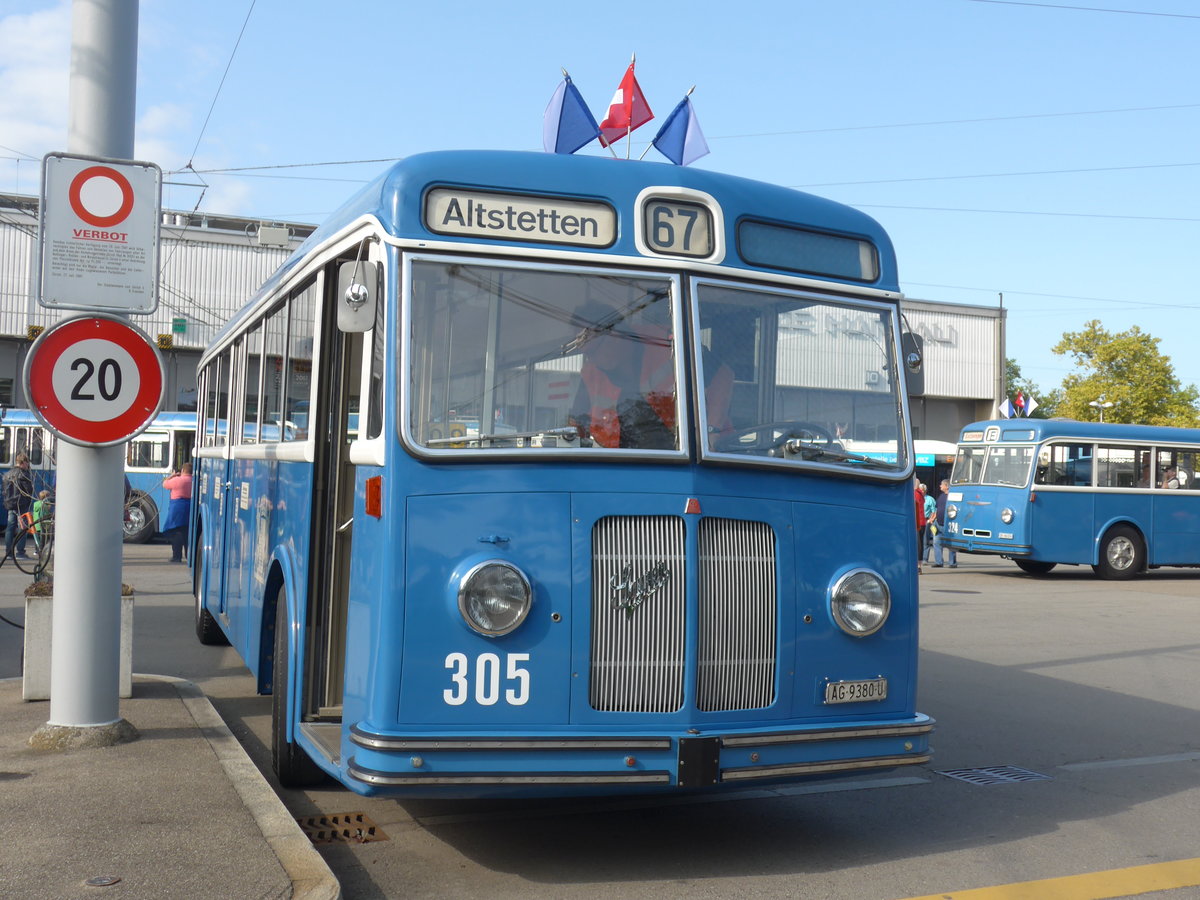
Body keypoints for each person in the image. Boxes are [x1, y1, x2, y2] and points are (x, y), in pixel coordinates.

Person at [569, 303, 676, 450]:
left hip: (680, 459)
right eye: (585, 353)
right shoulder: (591, 375)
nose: (591, 360)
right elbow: (575, 428)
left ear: (614, 334)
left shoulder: (667, 343)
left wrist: (712, 432)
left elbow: (715, 377)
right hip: (621, 464)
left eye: (593, 350)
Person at [4, 452, 34, 560]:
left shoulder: (7, 474)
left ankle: (9, 553)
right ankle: (20, 552)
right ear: (23, 462)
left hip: (10, 504)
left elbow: (5, 491)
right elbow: (28, 491)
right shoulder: (24, 474)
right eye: (27, 463)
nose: (28, 466)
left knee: (10, 527)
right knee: (23, 527)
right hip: (22, 504)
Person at [162, 462, 194, 563]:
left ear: (183, 470)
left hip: (177, 507)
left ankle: (177, 556)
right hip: (190, 507)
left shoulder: (177, 480)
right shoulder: (194, 481)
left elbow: (165, 484)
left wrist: (173, 475)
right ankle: (189, 557)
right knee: (187, 533)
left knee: (176, 533)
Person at [932, 478, 958, 568]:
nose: (940, 486)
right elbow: (937, 509)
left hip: (949, 525)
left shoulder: (953, 496)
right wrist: (932, 519)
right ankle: (939, 562)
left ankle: (952, 563)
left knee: (951, 544)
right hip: (938, 524)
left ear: (946, 486)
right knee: (936, 542)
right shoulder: (941, 496)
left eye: (941, 484)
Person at [921, 483, 936, 562]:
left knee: (925, 540)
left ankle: (925, 558)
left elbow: (934, 511)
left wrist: (930, 520)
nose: (920, 491)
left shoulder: (930, 499)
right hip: (918, 520)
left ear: (925, 491)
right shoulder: (916, 497)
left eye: (922, 490)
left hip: (926, 520)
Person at [914, 478, 926, 574]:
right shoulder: (920, 494)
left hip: (916, 523)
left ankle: (918, 567)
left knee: (917, 545)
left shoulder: (914, 494)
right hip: (922, 522)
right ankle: (919, 566)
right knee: (920, 545)